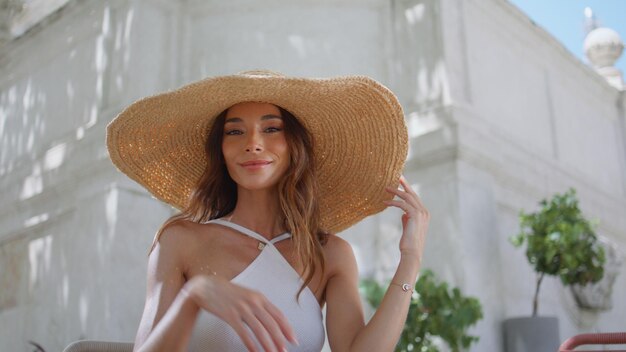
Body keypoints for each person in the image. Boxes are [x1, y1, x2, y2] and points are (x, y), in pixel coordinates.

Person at [106, 70, 430, 352]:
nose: (253, 143)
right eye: (234, 131)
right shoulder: (180, 241)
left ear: (296, 147)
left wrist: (411, 257)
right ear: (221, 150)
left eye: (271, 129)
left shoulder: (330, 254)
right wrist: (195, 297)